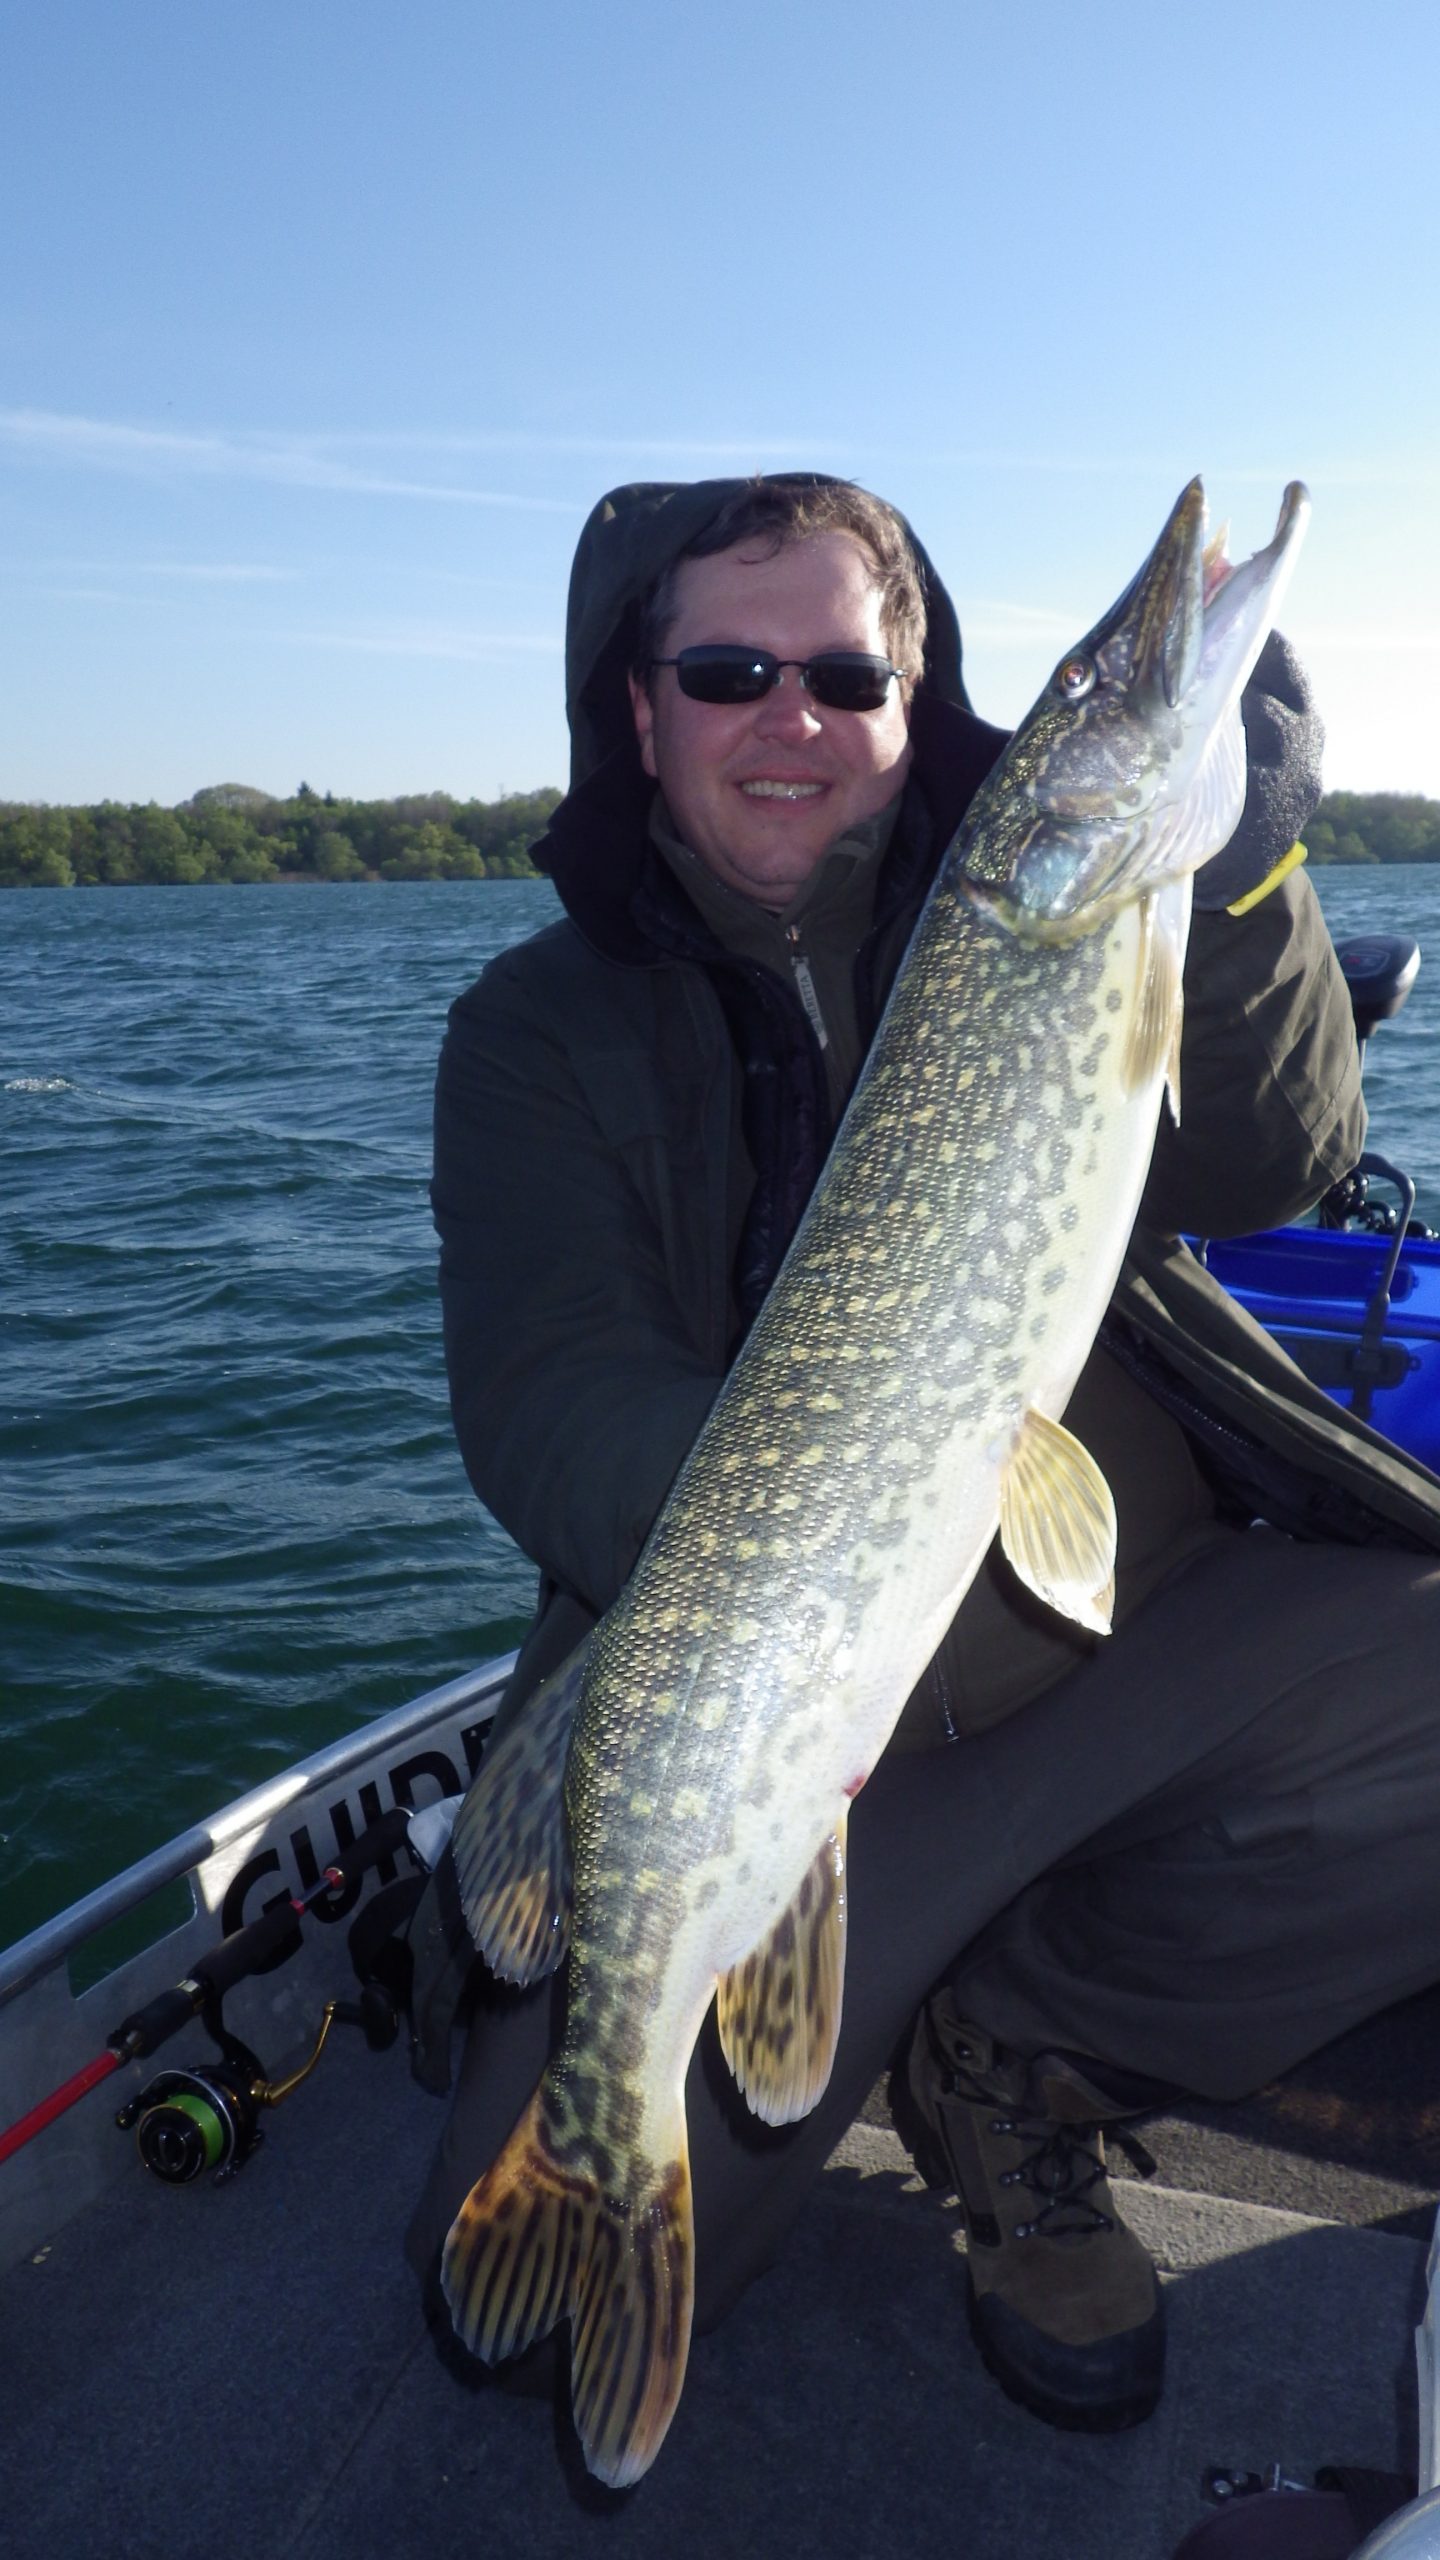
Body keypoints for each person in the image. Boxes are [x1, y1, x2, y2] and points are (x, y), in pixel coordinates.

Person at [407, 473, 1440, 2438]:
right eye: (728, 670)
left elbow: (1275, 1158)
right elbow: (541, 1401)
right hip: (772, 1715)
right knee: (509, 2307)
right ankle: (830, 1999)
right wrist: (787, 1572)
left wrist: (1238, 879)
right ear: (642, 712)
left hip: (1119, 1651)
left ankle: (1019, 2055)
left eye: (847, 673)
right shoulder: (527, 1035)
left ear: (912, 707)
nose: (792, 713)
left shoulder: (1050, 908)